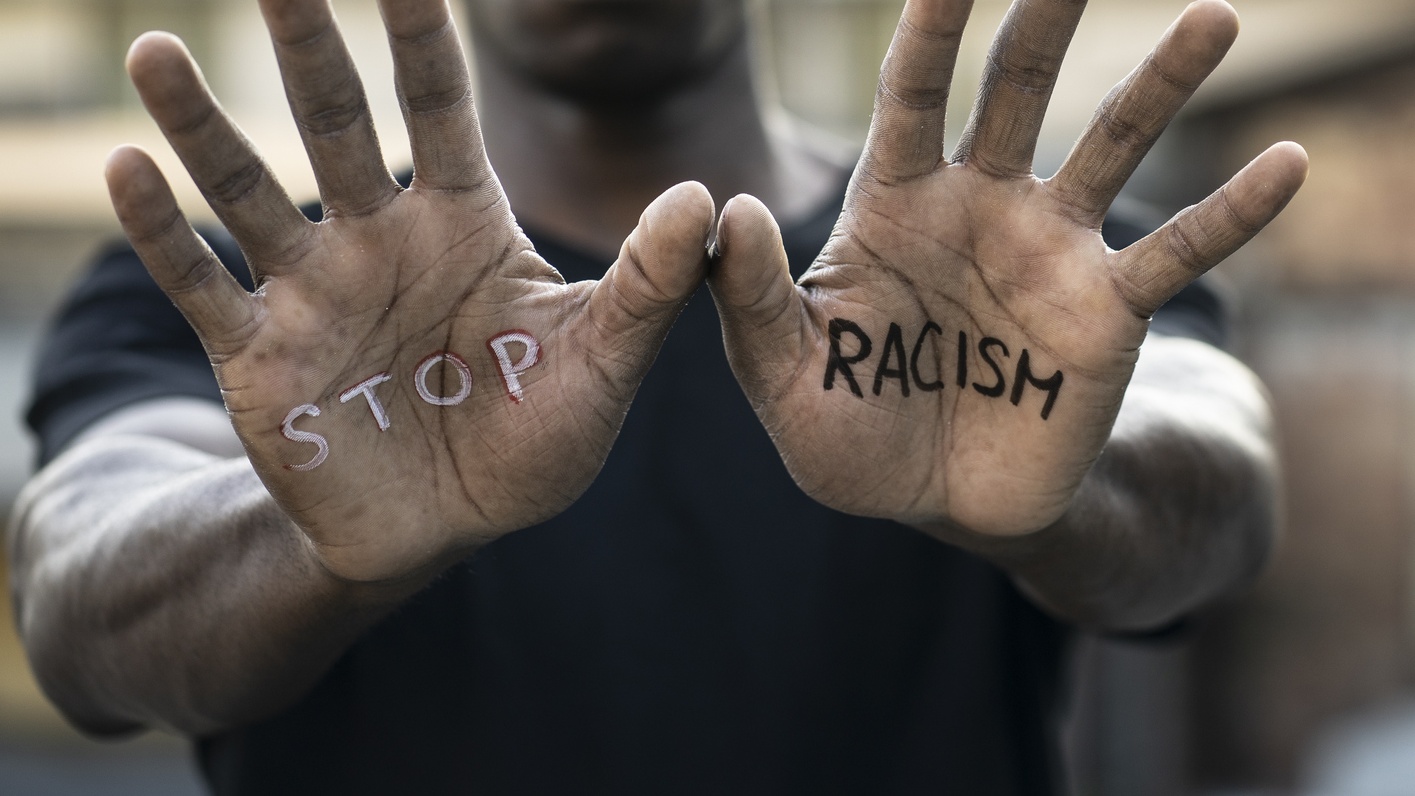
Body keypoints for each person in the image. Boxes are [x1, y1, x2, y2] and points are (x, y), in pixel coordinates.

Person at [8, 0, 1306, 792]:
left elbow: (1220, 486)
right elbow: (81, 602)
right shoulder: (262, 310)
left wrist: (1055, 501)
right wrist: (310, 543)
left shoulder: (1016, 282)